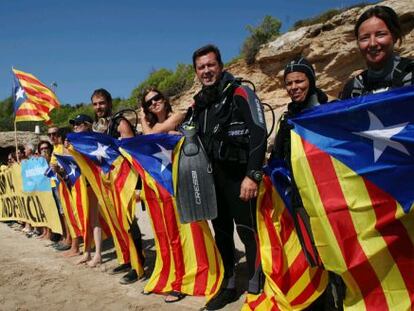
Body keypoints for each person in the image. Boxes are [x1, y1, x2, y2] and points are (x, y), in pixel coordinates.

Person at [186, 44, 267, 310]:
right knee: (222, 233)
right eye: (201, 67)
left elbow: (257, 132)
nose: (206, 71)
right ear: (196, 72)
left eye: (211, 65)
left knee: (246, 231)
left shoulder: (240, 92)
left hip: (238, 178)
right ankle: (229, 284)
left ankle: (257, 283)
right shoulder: (199, 104)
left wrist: (252, 176)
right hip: (211, 182)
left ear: (220, 65)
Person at [91, 88, 144, 285]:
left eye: (102, 103)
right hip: (107, 181)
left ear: (109, 103)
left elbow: (132, 152)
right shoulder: (96, 126)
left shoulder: (120, 123)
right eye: (95, 104)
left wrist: (136, 185)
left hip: (124, 179)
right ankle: (127, 259)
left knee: (130, 222)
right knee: (117, 222)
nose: (99, 107)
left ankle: (138, 266)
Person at [340, 5, 414, 99]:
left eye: (380, 34)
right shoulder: (352, 89)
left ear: (394, 37)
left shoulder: (411, 75)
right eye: (364, 38)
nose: (372, 44)